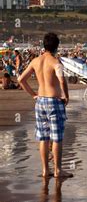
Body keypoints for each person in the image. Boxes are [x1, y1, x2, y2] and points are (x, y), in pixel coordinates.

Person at [18, 33, 73, 178]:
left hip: (40, 101)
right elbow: (62, 81)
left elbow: (21, 79)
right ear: (57, 46)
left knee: (43, 137)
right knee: (57, 137)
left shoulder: (36, 61)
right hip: (54, 101)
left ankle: (44, 170)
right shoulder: (55, 62)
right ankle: (58, 170)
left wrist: (33, 94)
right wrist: (66, 96)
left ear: (44, 45)